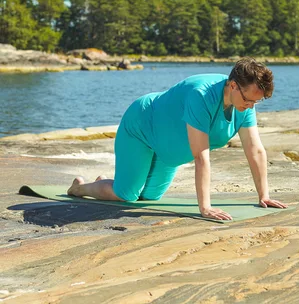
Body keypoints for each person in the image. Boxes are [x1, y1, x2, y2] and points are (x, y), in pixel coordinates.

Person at [68, 57, 287, 220]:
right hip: (142, 126)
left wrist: (264, 196)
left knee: (151, 198)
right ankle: (80, 188)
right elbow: (201, 157)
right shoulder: (201, 96)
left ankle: (106, 183)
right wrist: (205, 208)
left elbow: (255, 149)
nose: (250, 106)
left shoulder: (245, 102)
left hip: (168, 150)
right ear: (232, 86)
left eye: (256, 103)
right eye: (249, 100)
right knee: (127, 195)